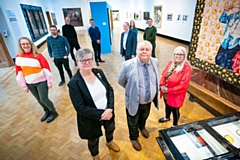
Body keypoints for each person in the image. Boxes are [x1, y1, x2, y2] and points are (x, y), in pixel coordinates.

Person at [68, 48, 120, 159]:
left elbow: (110, 90)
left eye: (89, 59)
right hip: (90, 118)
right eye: (83, 60)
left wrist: (110, 108)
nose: (87, 62)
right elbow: (80, 107)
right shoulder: (74, 83)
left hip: (108, 112)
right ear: (77, 62)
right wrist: (102, 114)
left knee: (110, 129)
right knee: (93, 140)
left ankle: (109, 142)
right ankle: (95, 155)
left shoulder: (99, 72)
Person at [118, 41, 159, 151]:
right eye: (141, 49)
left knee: (144, 116)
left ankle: (142, 127)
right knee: (132, 121)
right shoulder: (127, 65)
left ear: (151, 51)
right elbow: (121, 81)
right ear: (136, 51)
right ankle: (134, 137)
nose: (144, 51)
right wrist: (133, 90)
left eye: (147, 49)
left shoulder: (155, 62)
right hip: (133, 101)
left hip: (148, 101)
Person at [15, 37, 58, 123]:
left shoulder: (38, 55)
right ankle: (47, 111)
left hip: (41, 81)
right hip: (29, 83)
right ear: (20, 46)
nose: (26, 45)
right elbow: (19, 72)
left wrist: (49, 81)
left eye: (27, 43)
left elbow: (46, 68)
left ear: (31, 44)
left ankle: (53, 112)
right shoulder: (18, 57)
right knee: (38, 100)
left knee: (44, 99)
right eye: (23, 44)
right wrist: (24, 85)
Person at [158, 46, 192, 127]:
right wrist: (162, 85)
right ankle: (167, 117)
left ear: (184, 56)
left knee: (175, 110)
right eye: (176, 54)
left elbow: (183, 85)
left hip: (176, 94)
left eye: (181, 54)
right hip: (166, 91)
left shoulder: (187, 68)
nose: (178, 56)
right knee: (167, 105)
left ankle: (175, 125)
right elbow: (164, 74)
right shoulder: (171, 62)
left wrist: (168, 90)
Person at [215, 3, 240, 69]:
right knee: (218, 59)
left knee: (229, 63)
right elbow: (222, 19)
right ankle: (217, 75)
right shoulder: (232, 16)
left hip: (234, 44)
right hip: (225, 42)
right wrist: (226, 10)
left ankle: (224, 78)